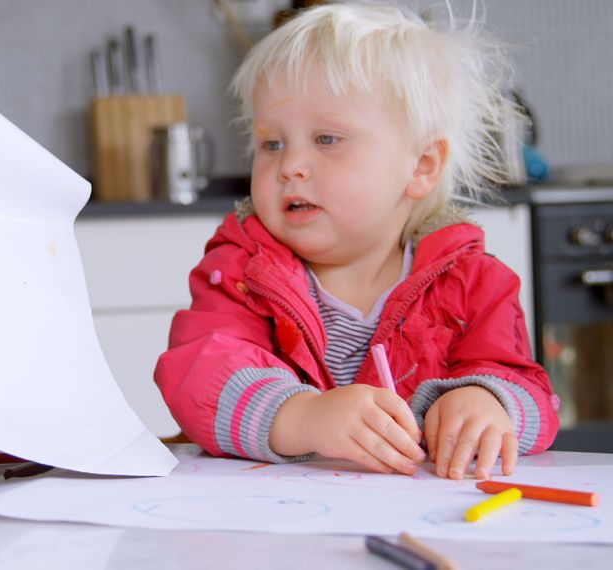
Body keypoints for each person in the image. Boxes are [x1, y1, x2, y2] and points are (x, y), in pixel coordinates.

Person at [154, 2, 559, 481]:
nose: (290, 166)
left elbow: (532, 393)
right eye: (272, 144)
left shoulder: (475, 281)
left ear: (421, 166)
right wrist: (300, 417)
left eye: (326, 139)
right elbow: (199, 374)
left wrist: (489, 402)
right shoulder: (240, 272)